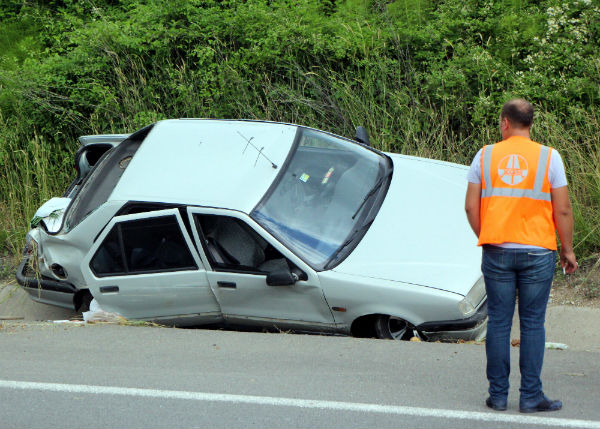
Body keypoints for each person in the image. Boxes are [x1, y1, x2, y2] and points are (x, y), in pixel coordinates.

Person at [464, 99, 578, 413]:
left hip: (497, 250)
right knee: (532, 325)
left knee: (499, 323)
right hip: (539, 251)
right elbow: (563, 209)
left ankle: (498, 396)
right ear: (530, 124)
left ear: (504, 122)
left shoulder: (484, 156)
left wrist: (486, 236)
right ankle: (530, 397)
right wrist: (567, 250)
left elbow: (471, 207)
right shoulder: (549, 158)